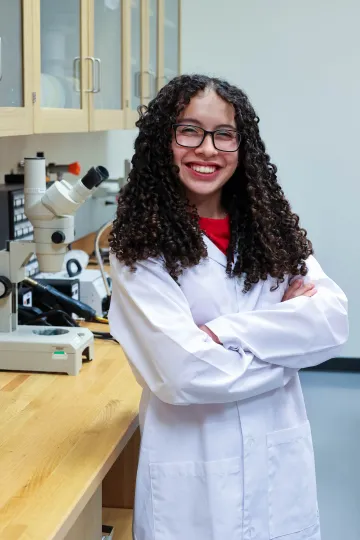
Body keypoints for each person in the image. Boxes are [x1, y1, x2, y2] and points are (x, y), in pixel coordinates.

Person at [108, 74, 348, 540]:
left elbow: (332, 321)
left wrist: (222, 334)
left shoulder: (270, 228)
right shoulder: (139, 245)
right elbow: (186, 373)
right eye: (188, 130)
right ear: (164, 140)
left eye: (224, 134)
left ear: (242, 146)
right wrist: (286, 355)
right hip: (192, 477)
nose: (207, 149)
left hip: (278, 471)